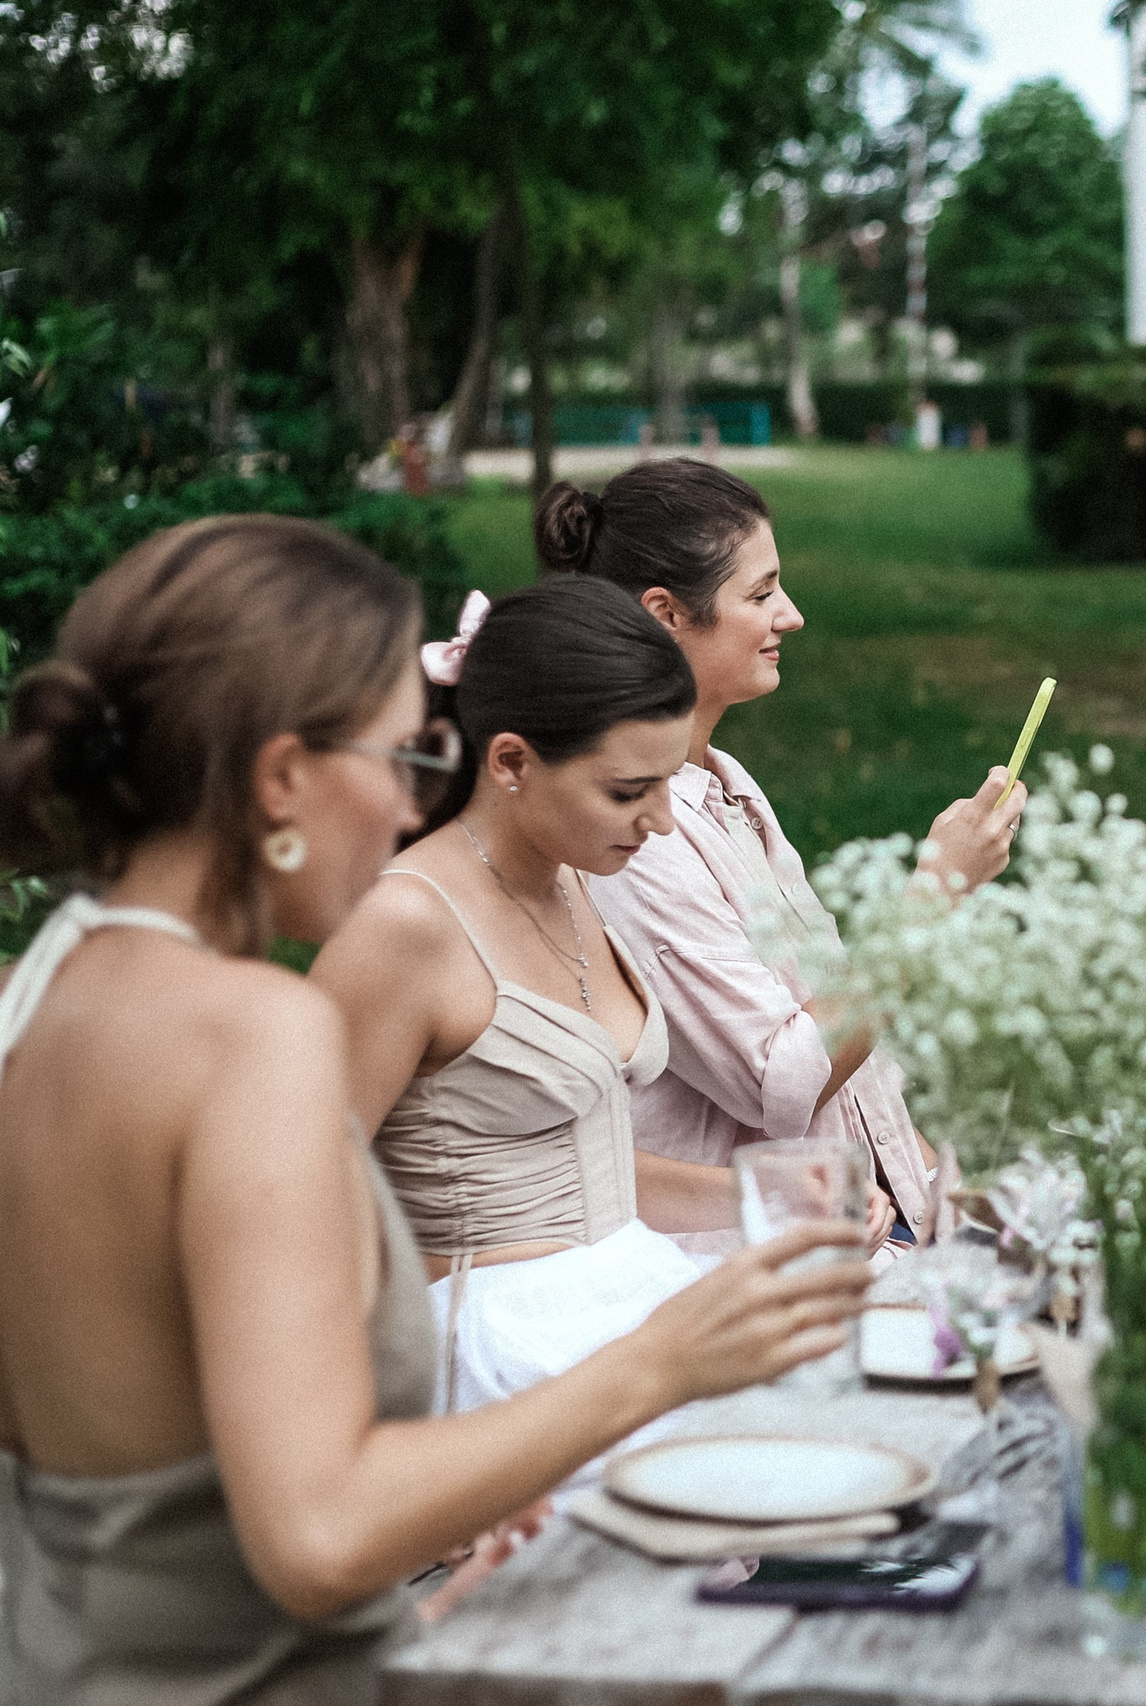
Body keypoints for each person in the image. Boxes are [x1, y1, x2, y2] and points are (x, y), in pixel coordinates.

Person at [0, 519, 870, 1704]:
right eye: (406, 759)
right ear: (281, 779)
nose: (415, 805)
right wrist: (662, 1360)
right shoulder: (254, 1031)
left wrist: (429, 1585)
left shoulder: (32, 997)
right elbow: (316, 1536)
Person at [310, 577, 855, 1430]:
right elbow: (299, 1196)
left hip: (623, 1302)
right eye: (628, 791)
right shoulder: (405, 927)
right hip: (497, 1362)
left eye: (667, 785)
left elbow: (578, 1167)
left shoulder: (574, 880)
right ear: (512, 763)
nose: (663, 824)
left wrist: (758, 1192)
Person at [535, 460, 1021, 1261]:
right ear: (665, 616)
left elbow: (840, 1034)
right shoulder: (633, 841)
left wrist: (935, 1191)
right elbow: (784, 1083)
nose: (790, 616)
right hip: (760, 1270)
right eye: (760, 595)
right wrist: (934, 895)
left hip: (880, 1230)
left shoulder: (726, 784)